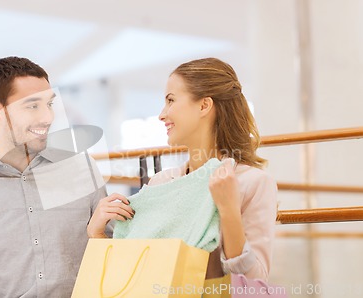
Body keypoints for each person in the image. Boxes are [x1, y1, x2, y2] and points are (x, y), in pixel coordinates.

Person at [0, 56, 112, 297]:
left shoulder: (81, 169)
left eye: (49, 104)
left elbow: (114, 259)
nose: (47, 117)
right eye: (32, 106)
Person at [87, 57, 277, 281]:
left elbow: (256, 285)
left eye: (171, 100)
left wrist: (228, 211)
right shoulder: (161, 183)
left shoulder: (252, 182)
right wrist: (97, 233)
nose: (161, 114)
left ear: (204, 105)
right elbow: (130, 276)